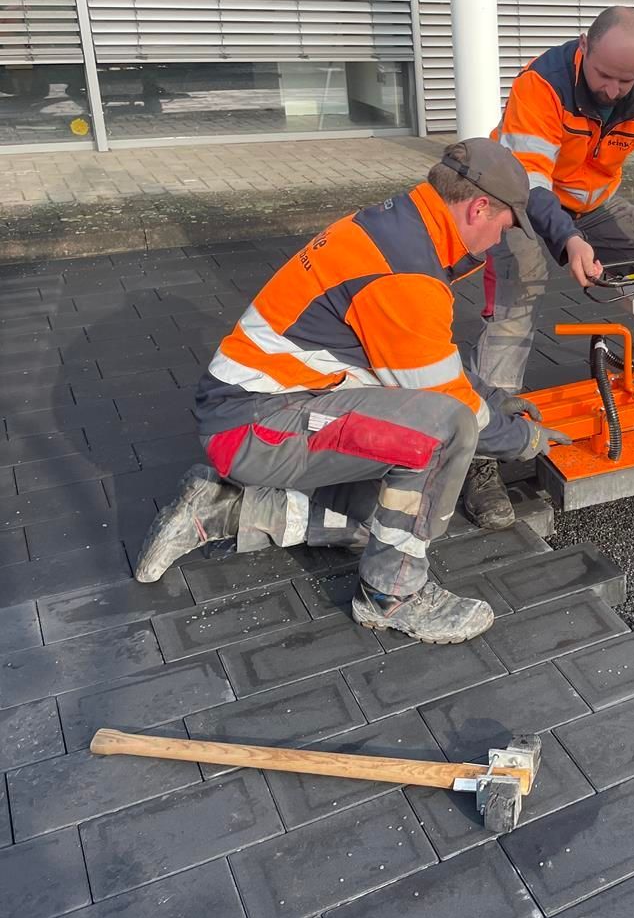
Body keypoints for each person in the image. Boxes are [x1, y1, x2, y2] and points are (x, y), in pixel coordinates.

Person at [132, 139, 575, 645]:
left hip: (266, 408)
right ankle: (391, 597)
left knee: (390, 520)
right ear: (478, 208)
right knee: (446, 433)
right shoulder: (404, 273)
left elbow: (429, 358)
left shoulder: (401, 229)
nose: (502, 238)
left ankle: (223, 509)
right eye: (505, 225)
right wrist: (520, 440)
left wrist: (496, 403)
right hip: (254, 425)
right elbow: (449, 402)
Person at [464, 5, 634, 530]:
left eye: (625, 79)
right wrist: (569, 241)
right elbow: (532, 185)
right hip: (517, 199)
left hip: (595, 201)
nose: (612, 90)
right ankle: (481, 453)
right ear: (584, 46)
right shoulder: (542, 87)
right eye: (604, 74)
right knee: (519, 301)